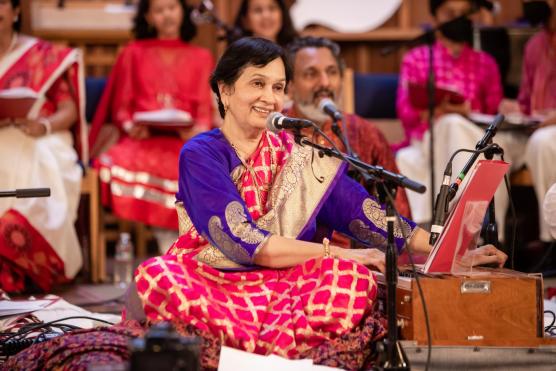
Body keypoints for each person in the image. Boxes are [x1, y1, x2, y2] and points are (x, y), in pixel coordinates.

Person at [128, 37, 507, 367]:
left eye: (277, 87)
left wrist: (448, 252)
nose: (269, 98)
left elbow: (367, 217)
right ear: (225, 90)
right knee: (161, 277)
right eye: (257, 84)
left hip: (287, 280)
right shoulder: (201, 154)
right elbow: (241, 241)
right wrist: (338, 255)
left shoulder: (300, 154)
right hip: (214, 278)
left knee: (354, 280)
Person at [89, 0, 214, 249]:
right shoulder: (132, 53)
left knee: (193, 164)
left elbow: (204, 110)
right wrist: (129, 126)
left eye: (172, 8)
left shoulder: (202, 57)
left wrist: (197, 128)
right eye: (159, 10)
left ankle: (180, 244)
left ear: (183, 11)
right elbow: (122, 107)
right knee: (113, 163)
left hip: (184, 140)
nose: (167, 15)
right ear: (148, 17)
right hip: (142, 139)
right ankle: (167, 243)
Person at [395, 0, 528, 234]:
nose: (458, 19)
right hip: (429, 138)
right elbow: (406, 114)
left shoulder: (485, 63)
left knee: (455, 126)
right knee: (442, 130)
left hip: (474, 137)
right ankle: (467, 230)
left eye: (464, 14)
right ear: (435, 18)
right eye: (451, 13)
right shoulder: (417, 59)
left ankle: (450, 227)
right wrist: (439, 111)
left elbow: (493, 115)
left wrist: (466, 111)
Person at [0, 0, 86, 292]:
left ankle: (19, 259)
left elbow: (68, 109)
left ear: (15, 11)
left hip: (40, 132)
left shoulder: (41, 56)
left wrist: (44, 126)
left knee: (41, 157)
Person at [285, 36, 411, 222]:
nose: (324, 83)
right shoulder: (274, 134)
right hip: (294, 249)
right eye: (311, 74)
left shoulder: (364, 133)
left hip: (356, 249)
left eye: (332, 72)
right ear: (290, 86)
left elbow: (399, 216)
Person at [500, 0, 556, 244]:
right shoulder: (534, 45)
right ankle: (493, 239)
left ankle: (549, 240)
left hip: (547, 133)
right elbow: (526, 100)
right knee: (492, 147)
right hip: (534, 128)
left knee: (543, 143)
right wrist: (513, 108)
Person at [232, 0, 298, 46]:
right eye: (257, 10)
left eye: (272, 8)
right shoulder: (237, 58)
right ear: (245, 21)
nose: (266, 16)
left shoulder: (297, 54)